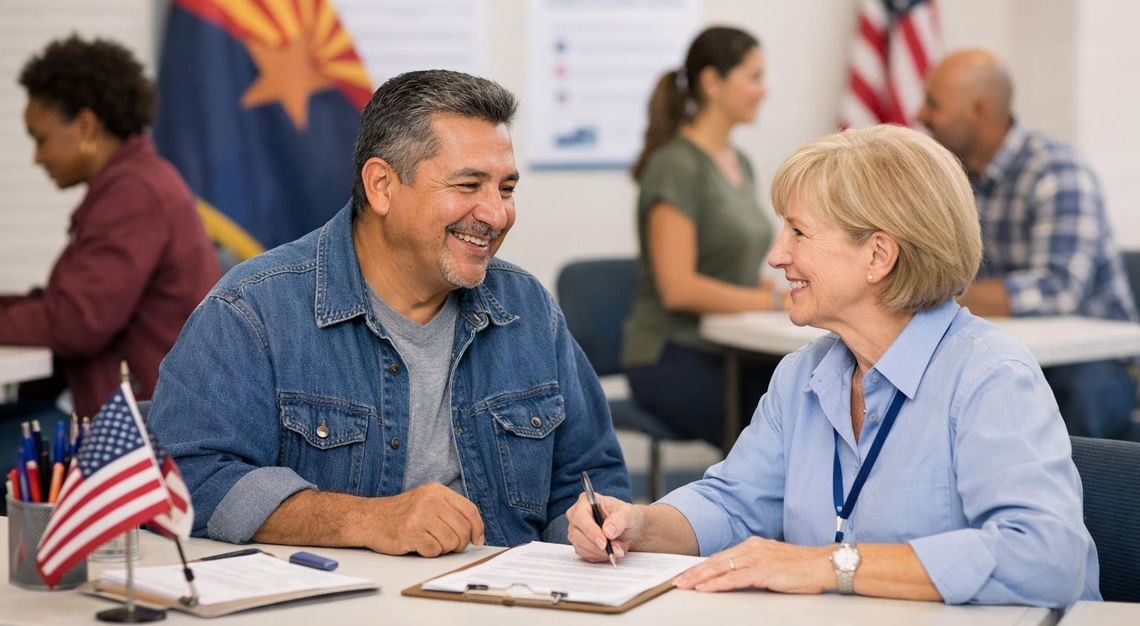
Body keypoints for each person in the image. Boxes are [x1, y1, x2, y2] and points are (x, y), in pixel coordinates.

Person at [567, 125, 1099, 608]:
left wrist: (827, 566)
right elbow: (733, 504)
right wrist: (638, 524)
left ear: (877, 256)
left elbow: (1045, 558)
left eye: (798, 233)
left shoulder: (990, 375)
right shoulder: (803, 375)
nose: (776, 257)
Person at [148, 70, 631, 556]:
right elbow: (187, 480)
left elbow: (591, 476)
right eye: (468, 185)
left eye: (505, 189)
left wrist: (591, 530)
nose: (496, 214)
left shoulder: (528, 309)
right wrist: (368, 521)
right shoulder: (252, 311)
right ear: (381, 185)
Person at [917, 49, 1138, 439]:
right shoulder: (952, 176)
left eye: (933, 103)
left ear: (979, 110)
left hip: (1090, 360)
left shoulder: (1056, 170)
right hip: (1000, 349)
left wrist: (925, 293)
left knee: (1078, 394)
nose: (921, 114)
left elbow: (1058, 291)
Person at [0, 36, 220, 418]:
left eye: (42, 139)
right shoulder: (136, 183)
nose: (37, 157)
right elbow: (71, 302)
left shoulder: (133, 194)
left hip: (139, 423)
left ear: (86, 125)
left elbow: (76, 321)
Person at [623, 26, 780, 448]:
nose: (763, 90)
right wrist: (773, 302)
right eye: (753, 77)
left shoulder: (741, 164)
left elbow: (731, 266)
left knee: (810, 394)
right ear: (712, 82)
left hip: (728, 346)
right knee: (775, 428)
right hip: (671, 354)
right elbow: (678, 289)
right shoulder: (675, 165)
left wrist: (768, 288)